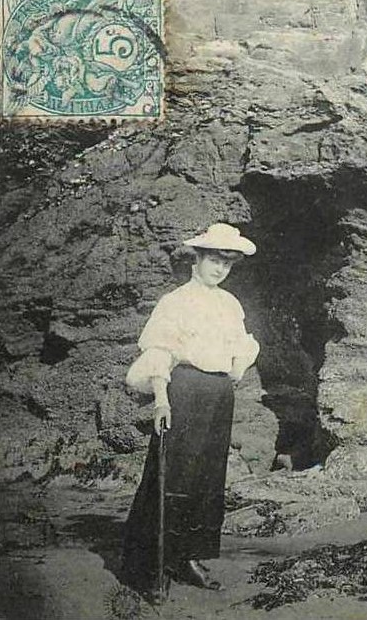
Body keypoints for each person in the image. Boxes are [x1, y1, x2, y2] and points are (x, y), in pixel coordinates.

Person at [121, 223, 260, 595]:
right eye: (215, 260)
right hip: (184, 390)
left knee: (207, 477)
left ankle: (188, 557)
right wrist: (162, 400)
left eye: (227, 264)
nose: (220, 269)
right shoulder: (176, 301)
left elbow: (242, 347)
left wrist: (234, 371)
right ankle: (149, 565)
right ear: (196, 260)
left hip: (217, 394)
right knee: (171, 475)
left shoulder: (230, 304)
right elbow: (160, 352)